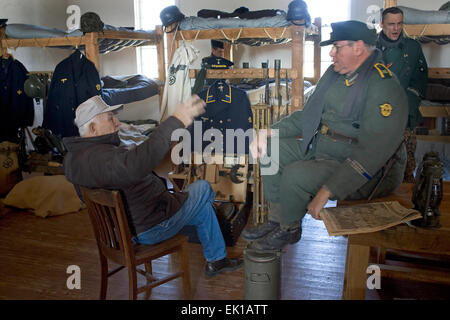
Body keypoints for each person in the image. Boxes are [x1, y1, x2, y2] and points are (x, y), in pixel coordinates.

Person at [243, 20, 409, 251]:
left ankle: (289, 228)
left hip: (364, 168)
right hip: (323, 148)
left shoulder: (383, 86)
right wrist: (270, 131)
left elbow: (372, 154)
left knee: (295, 174)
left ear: (358, 47)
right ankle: (278, 220)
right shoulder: (334, 74)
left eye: (337, 47)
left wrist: (327, 191)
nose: (331, 53)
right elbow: (309, 114)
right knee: (271, 150)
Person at [63, 95, 242, 277]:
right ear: (93, 128)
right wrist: (176, 120)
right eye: (110, 119)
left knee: (202, 208)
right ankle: (214, 226)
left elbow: (127, 167)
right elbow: (136, 162)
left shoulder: (73, 159)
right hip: (150, 227)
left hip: (123, 230)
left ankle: (217, 260)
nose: (117, 123)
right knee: (203, 188)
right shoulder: (105, 159)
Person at [377, 7, 428, 183]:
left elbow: (420, 80)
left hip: (406, 113)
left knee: (407, 167)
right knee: (376, 166)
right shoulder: (370, 48)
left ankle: (405, 207)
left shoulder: (413, 48)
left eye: (399, 24)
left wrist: (409, 103)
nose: (396, 28)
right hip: (375, 115)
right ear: (382, 24)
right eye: (391, 24)